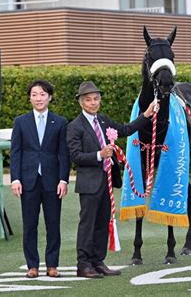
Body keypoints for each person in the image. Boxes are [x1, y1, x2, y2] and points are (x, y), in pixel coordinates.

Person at [67, 81, 156, 278]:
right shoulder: (75, 127)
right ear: (81, 103)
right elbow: (75, 156)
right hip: (89, 183)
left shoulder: (104, 121)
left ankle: (98, 261)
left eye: (96, 99)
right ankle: (83, 264)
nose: (93, 103)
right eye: (88, 100)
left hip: (106, 181)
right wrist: (99, 154)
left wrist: (146, 115)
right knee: (87, 223)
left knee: (102, 222)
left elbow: (125, 129)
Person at [10, 80, 70, 278]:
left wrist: (64, 180)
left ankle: (52, 265)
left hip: (53, 181)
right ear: (30, 98)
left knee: (53, 224)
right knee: (30, 225)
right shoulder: (20, 121)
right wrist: (15, 179)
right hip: (28, 181)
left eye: (43, 94)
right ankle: (32, 266)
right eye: (34, 94)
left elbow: (63, 154)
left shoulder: (60, 122)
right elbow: (16, 152)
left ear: (50, 97)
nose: (38, 98)